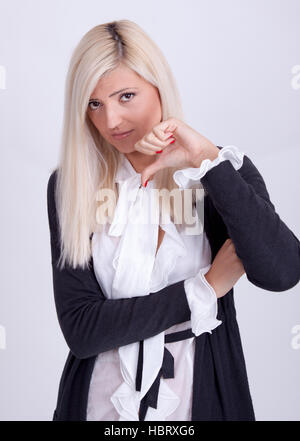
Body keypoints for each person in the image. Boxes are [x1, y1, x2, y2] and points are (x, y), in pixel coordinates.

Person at [47, 20, 300, 421]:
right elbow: (83, 329)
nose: (110, 120)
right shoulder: (72, 184)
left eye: (126, 96)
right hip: (96, 404)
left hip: (201, 398)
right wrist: (205, 289)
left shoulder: (220, 172)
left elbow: (282, 272)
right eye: (94, 103)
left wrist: (204, 159)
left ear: (159, 88)